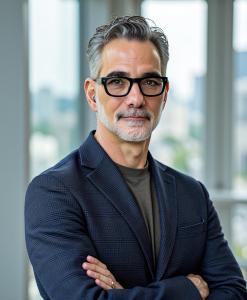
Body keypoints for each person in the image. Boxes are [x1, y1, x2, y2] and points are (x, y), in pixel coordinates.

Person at [25, 16, 247, 299]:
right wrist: (188, 289)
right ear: (93, 95)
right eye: (118, 81)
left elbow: (233, 292)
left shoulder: (193, 194)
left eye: (150, 82)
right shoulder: (53, 193)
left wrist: (123, 294)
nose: (136, 98)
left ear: (164, 94)